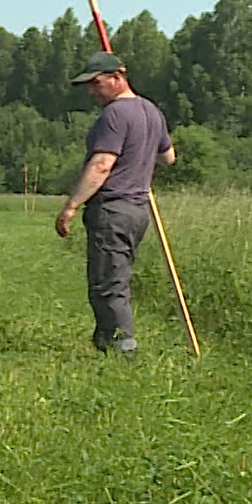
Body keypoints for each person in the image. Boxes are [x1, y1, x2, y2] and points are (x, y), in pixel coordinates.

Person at [54, 52, 176, 355]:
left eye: (97, 84)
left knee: (108, 284)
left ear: (117, 78)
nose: (93, 92)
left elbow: (102, 165)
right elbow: (168, 157)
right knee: (114, 277)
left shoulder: (115, 115)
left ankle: (123, 348)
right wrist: (141, 153)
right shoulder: (151, 111)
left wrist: (71, 206)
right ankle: (105, 343)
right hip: (138, 211)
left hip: (113, 208)